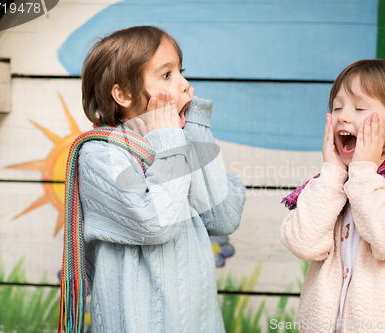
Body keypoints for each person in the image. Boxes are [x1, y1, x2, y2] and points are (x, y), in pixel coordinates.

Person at [59, 26, 246, 333]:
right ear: (123, 94)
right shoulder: (100, 155)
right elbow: (156, 224)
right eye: (167, 75)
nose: (185, 84)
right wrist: (172, 142)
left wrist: (194, 124)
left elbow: (223, 218)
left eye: (181, 72)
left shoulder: (176, 144)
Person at [281, 59, 385, 333]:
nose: (342, 115)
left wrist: (363, 173)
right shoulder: (329, 186)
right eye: (337, 107)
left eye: (359, 107)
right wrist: (331, 172)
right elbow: (304, 244)